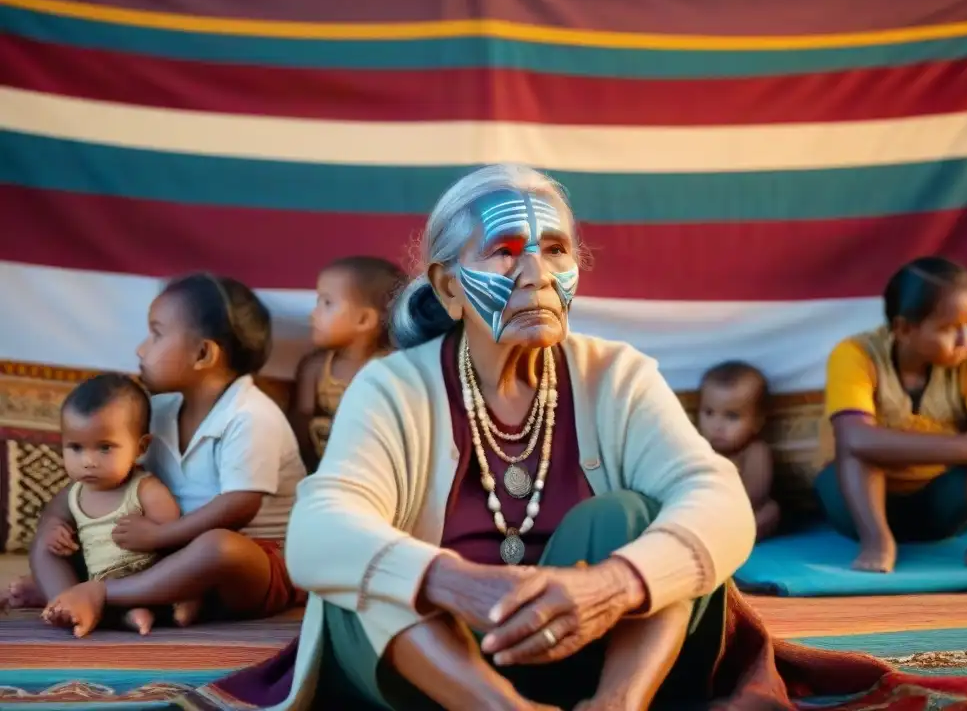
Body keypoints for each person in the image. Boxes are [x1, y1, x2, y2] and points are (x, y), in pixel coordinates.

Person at [276, 164, 757, 710]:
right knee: (368, 565)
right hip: (441, 667)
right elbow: (317, 528)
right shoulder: (392, 387)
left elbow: (718, 497)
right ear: (448, 286)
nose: (538, 275)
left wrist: (615, 585)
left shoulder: (617, 376)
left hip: (588, 641)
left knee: (638, 520)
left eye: (555, 250)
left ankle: (617, 704)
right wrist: (449, 580)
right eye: (505, 251)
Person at [30, 273, 308, 637]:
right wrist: (60, 522)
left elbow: (240, 506)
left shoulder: (251, 415)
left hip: (259, 567)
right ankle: (70, 601)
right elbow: (117, 477)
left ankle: (103, 593)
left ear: (203, 354)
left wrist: (161, 537)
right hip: (170, 556)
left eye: (157, 334)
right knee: (47, 541)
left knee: (219, 546)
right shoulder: (158, 411)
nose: (141, 349)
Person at [815, 257, 967, 574]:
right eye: (949, 328)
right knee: (856, 448)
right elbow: (855, 437)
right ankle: (877, 541)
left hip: (940, 509)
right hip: (857, 507)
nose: (965, 340)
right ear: (903, 329)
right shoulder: (855, 354)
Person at [36, 373, 182, 636]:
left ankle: (131, 614)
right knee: (43, 545)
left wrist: (153, 534)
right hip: (95, 580)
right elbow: (52, 516)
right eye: (76, 448)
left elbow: (175, 536)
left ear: (140, 447)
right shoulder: (74, 492)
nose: (88, 461)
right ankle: (69, 602)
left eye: (105, 448)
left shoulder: (144, 489)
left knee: (149, 602)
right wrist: (55, 529)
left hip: (140, 582)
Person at [290, 256, 407, 473]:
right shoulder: (315, 367)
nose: (313, 314)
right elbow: (301, 428)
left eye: (326, 303)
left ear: (364, 320)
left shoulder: (393, 369)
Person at [698, 361, 781, 541]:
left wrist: (725, 507)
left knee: (770, 512)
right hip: (699, 512)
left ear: (757, 421)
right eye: (709, 413)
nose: (717, 426)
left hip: (738, 514)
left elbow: (756, 492)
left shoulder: (755, 451)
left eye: (732, 416)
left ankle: (729, 539)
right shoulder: (696, 447)